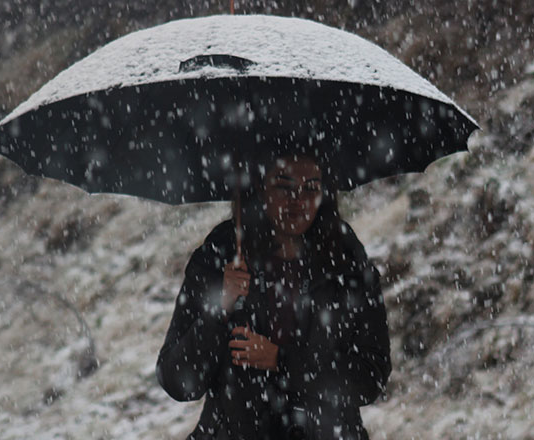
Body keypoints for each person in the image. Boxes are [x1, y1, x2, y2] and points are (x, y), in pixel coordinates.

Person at [156, 145, 391, 439]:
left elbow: (370, 377)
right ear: (259, 186)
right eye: (285, 186)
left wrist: (280, 359)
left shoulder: (345, 259)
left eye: (311, 188)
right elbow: (178, 381)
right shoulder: (222, 253)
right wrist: (220, 307)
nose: (299, 201)